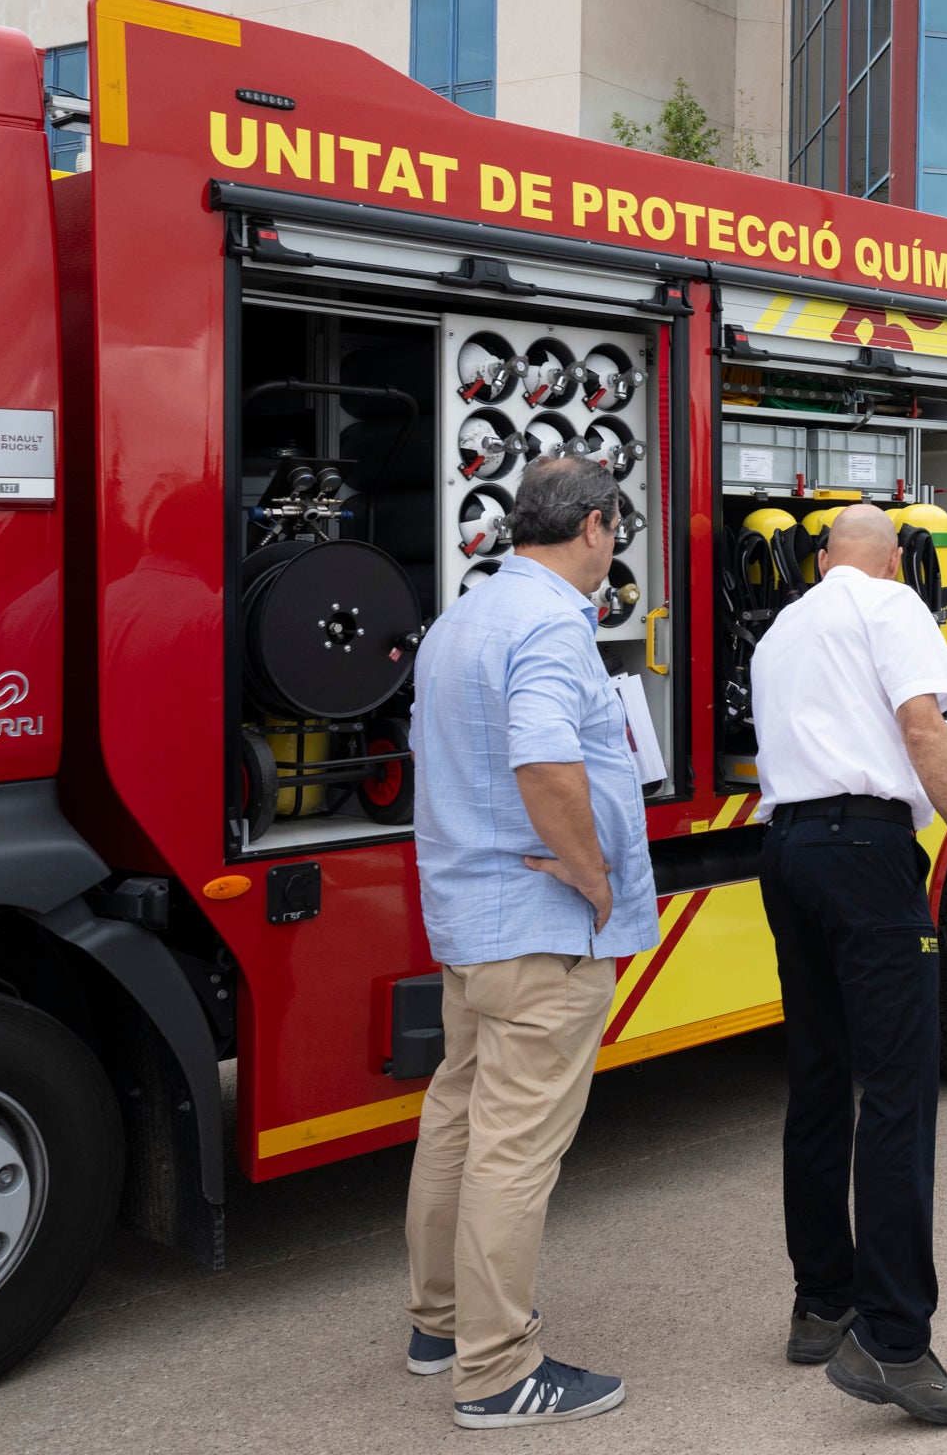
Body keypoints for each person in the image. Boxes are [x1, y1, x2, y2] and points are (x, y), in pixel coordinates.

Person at [402, 456, 659, 1426]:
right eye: (615, 533)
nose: (612, 552)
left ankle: (438, 1326)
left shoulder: (463, 615)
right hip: (538, 932)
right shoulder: (552, 621)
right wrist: (594, 875)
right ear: (592, 525)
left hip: (470, 921)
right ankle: (498, 1370)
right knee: (512, 1151)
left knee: (456, 1123)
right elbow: (543, 760)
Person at [750, 503, 947, 1428]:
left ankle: (821, 1303)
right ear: (897, 555)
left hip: (784, 853)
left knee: (820, 1079)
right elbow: (924, 730)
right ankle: (896, 1345)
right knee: (898, 1094)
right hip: (864, 855)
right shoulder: (889, 603)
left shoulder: (786, 624)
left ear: (822, 555)